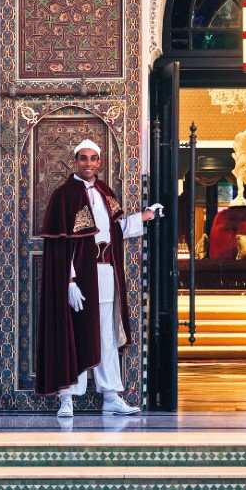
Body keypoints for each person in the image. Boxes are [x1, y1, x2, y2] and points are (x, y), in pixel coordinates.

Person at [35, 138, 162, 417]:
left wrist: (146, 216)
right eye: (84, 158)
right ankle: (67, 397)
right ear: (75, 160)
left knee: (106, 336)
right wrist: (69, 282)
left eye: (94, 158)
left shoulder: (106, 192)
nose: (89, 163)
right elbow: (62, 244)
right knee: (75, 335)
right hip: (80, 280)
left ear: (99, 162)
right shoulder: (63, 195)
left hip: (106, 276)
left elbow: (117, 231)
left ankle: (111, 396)